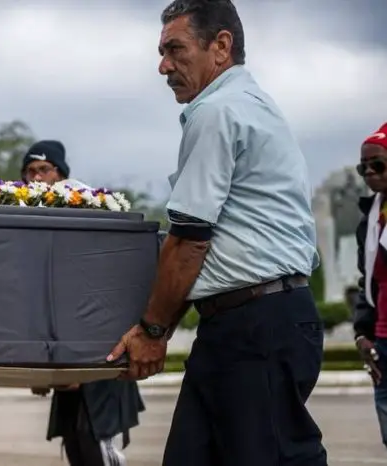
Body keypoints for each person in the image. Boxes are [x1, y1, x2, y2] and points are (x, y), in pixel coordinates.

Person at [107, 1, 327, 465]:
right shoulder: (248, 105)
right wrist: (157, 327)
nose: (163, 65)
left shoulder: (218, 112)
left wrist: (152, 330)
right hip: (246, 322)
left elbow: (189, 240)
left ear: (221, 46)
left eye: (175, 49)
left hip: (257, 327)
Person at [22, 140, 145, 466]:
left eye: (44, 170)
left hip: (99, 352)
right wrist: (42, 369)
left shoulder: (82, 209)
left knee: (97, 448)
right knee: (76, 445)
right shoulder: (30, 220)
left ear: (60, 174)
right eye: (30, 171)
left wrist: (80, 361)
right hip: (65, 356)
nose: (36, 178)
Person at [353, 122, 387, 448]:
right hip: (383, 344)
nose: (370, 173)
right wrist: (362, 334)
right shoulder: (370, 220)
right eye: (364, 167)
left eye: (378, 165)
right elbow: (368, 282)